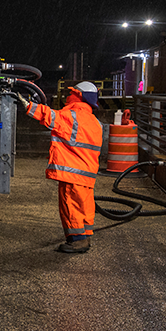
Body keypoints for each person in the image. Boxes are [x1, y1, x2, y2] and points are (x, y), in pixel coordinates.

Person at [17, 81, 103, 253]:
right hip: (87, 173)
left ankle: (77, 242)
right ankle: (84, 237)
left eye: (71, 92)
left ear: (79, 95)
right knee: (84, 206)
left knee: (70, 206)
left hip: (72, 172)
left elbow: (49, 116)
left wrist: (28, 106)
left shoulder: (72, 115)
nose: (67, 96)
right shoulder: (95, 121)